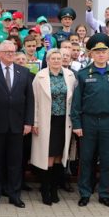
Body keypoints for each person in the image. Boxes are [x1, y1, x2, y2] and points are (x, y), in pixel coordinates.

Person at [71, 33, 109, 208]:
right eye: (97, 52)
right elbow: (76, 102)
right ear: (91, 54)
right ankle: (85, 193)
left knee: (107, 160)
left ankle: (104, 194)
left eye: (104, 51)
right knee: (86, 159)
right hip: (88, 122)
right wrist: (77, 124)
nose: (101, 54)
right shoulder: (83, 74)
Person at [0, 41, 34, 209]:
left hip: (17, 126)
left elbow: (29, 100)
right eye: (7, 51)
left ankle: (14, 195)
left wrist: (28, 122)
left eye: (13, 51)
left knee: (15, 163)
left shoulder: (24, 72)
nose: (11, 54)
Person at [31, 49, 77, 205]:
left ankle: (54, 189)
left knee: (59, 156)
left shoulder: (70, 75)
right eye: (53, 58)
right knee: (48, 156)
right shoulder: (40, 76)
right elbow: (34, 101)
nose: (57, 61)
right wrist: (35, 122)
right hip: (46, 121)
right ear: (48, 60)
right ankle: (45, 190)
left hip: (63, 121)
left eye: (59, 58)